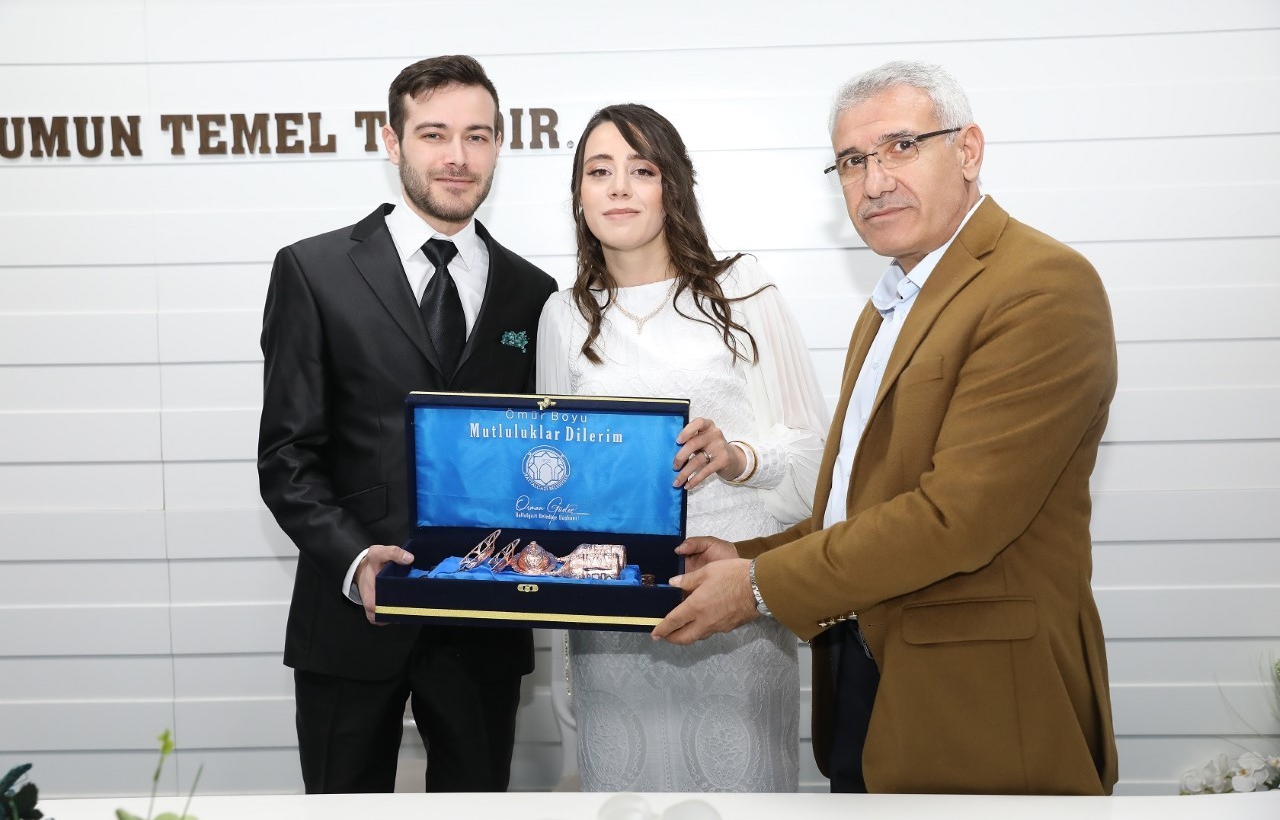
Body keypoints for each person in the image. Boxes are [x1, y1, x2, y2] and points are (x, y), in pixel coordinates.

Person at [652, 61, 1119, 796]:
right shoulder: (890, 304)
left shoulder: (1041, 286)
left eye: (901, 146)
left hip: (982, 709)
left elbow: (955, 518)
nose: (874, 182)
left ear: (967, 150)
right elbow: (862, 503)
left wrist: (759, 585)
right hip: (869, 685)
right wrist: (745, 554)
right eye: (852, 160)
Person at [257, 54, 557, 793]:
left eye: (477, 136)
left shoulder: (534, 292)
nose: (458, 156)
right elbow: (287, 456)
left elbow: (544, 453)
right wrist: (358, 560)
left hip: (484, 624)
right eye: (433, 134)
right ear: (392, 142)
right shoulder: (313, 271)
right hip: (349, 621)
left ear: (498, 145)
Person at [536, 104, 828, 792]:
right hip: (612, 620)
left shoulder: (741, 289)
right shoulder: (563, 314)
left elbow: (819, 455)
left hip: (731, 602)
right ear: (578, 195)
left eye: (641, 170)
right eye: (599, 171)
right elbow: (553, 493)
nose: (618, 187)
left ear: (673, 186)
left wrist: (739, 455)